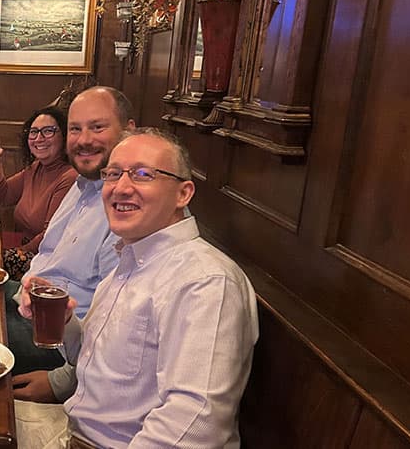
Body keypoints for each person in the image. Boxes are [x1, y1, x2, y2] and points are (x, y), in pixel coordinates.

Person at [15, 128, 259, 449]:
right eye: (113, 174)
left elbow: (197, 421)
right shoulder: (129, 260)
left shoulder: (205, 281)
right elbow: (95, 363)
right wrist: (64, 324)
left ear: (183, 194)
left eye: (143, 175)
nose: (121, 187)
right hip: (71, 429)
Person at [5, 86, 135, 376]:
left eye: (97, 127)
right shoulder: (82, 185)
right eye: (76, 129)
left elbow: (114, 329)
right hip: (28, 299)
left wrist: (62, 381)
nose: (84, 140)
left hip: (61, 342)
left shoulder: (129, 209)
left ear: (128, 131)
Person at [0, 106, 77, 281]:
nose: (39, 138)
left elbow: (49, 236)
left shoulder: (69, 177)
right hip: (26, 251)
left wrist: (17, 253)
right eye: (34, 132)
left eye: (48, 131)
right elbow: (1, 197)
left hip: (45, 260)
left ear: (65, 136)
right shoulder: (36, 168)